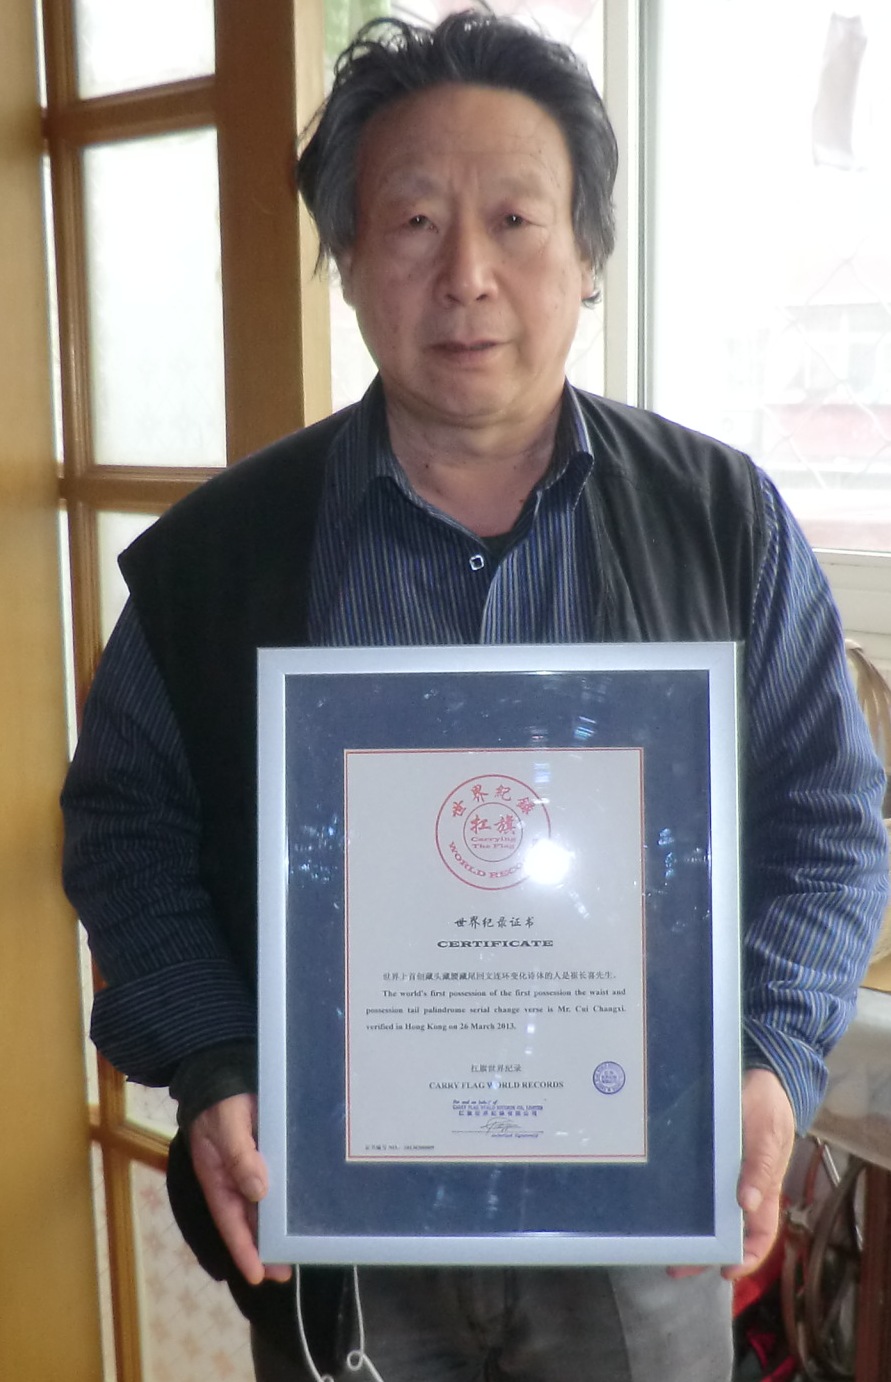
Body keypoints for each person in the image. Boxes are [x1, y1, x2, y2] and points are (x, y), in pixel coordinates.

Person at [62, 11, 888, 1381]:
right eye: (413, 222)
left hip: (640, 1214)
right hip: (337, 1215)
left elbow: (829, 821)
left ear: (589, 254)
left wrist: (766, 1050)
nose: (466, 276)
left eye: (515, 219)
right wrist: (211, 1053)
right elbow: (126, 828)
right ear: (346, 256)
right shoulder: (219, 558)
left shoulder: (724, 522)